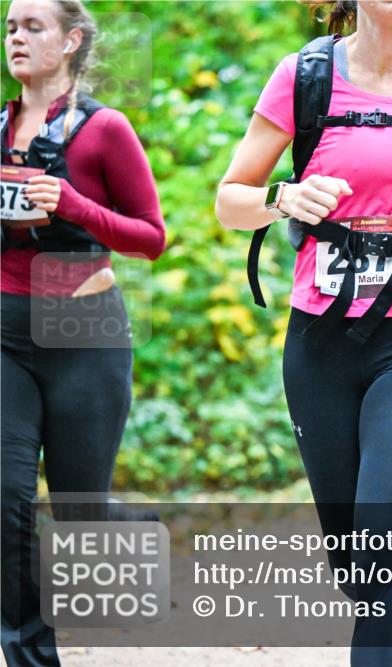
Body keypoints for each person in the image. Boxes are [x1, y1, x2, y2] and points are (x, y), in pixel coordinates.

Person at [216, 1, 392, 665]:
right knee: (354, 558)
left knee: (384, 533)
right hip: (322, 337)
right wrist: (282, 198)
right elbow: (231, 198)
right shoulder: (305, 76)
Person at [2, 1, 165, 664]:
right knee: (5, 501)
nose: (16, 37)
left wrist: (73, 205)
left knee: (79, 515)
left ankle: (133, 528)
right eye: (10, 26)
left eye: (32, 26)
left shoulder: (104, 131)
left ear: (71, 40)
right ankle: (31, 654)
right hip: (5, 329)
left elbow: (151, 238)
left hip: (82, 326)